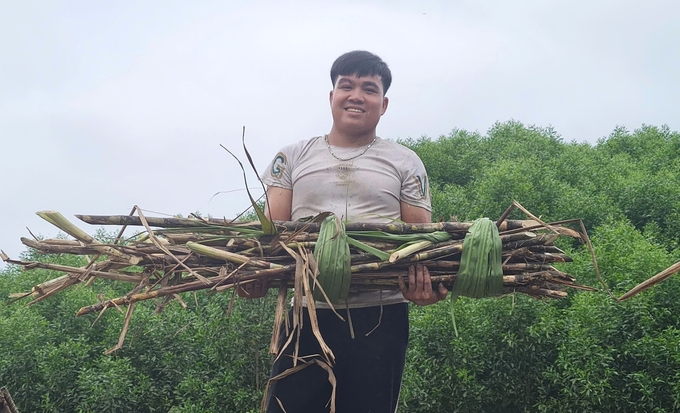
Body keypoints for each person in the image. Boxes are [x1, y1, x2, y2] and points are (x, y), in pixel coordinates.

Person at [239, 50, 448, 413]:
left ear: (383, 105)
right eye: (346, 86)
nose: (356, 95)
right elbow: (270, 241)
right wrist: (252, 278)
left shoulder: (404, 161)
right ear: (331, 96)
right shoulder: (292, 157)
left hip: (380, 316)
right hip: (308, 313)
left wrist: (428, 290)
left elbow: (421, 244)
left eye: (368, 89)